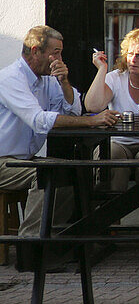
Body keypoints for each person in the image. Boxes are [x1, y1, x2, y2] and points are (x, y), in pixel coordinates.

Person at [0, 26, 118, 241]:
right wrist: (92, 122)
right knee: (47, 174)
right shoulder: (10, 79)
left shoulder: (47, 79)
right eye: (55, 52)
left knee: (74, 170)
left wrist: (64, 82)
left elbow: (70, 110)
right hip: (3, 162)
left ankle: (56, 238)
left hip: (25, 158)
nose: (59, 58)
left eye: (60, 52)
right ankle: (31, 245)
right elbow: (39, 120)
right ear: (36, 51)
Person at [84, 27, 139, 221]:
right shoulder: (116, 77)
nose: (133, 59)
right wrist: (102, 71)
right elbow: (93, 105)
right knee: (111, 156)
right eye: (130, 54)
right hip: (120, 141)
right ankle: (110, 224)